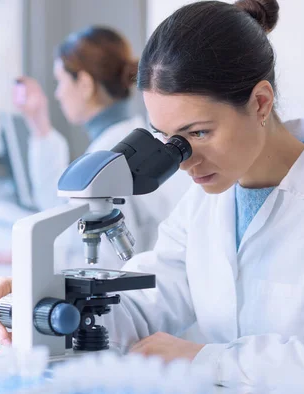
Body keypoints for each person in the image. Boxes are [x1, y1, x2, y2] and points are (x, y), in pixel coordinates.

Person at [0, 0, 304, 387]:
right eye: (170, 138)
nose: (183, 160)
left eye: (198, 133)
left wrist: (202, 360)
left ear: (260, 103)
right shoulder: (204, 202)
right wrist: (52, 302)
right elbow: (149, 298)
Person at [15, 26, 189, 270]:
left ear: (85, 84)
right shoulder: (125, 144)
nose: (57, 94)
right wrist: (39, 125)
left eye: (60, 81)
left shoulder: (113, 157)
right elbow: (62, 209)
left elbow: (105, 264)